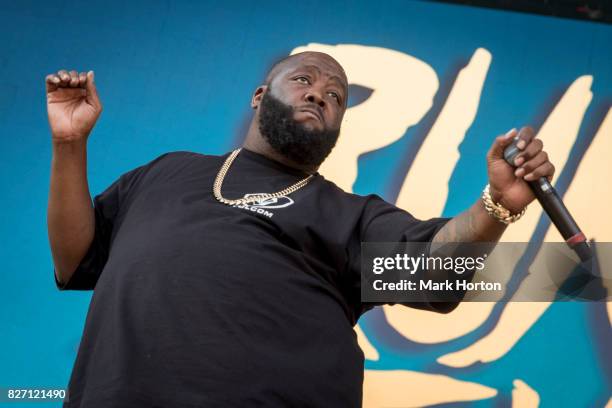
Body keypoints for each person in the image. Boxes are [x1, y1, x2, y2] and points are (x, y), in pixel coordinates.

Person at [46, 51, 555, 407]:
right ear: (260, 95)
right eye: (305, 80)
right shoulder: (167, 172)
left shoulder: (349, 213)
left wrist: (496, 205)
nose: (321, 95)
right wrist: (70, 144)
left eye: (336, 97)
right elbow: (75, 261)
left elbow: (430, 273)